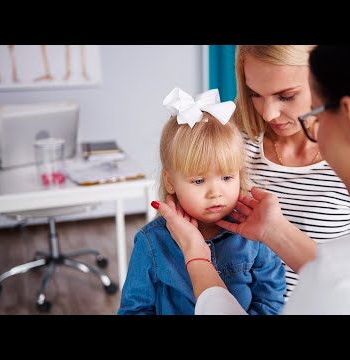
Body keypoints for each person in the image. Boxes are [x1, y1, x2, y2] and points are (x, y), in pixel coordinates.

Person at [154, 46, 350, 314]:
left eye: (315, 119)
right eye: (256, 95)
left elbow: (340, 282)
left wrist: (196, 257)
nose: (271, 113)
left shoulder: (346, 281)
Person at [233, 45, 350, 299]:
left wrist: (276, 231)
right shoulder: (235, 143)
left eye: (286, 96)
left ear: (325, 79)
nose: (269, 113)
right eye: (255, 94)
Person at [117, 87, 286, 315]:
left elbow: (270, 300)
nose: (215, 193)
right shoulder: (151, 242)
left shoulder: (254, 237)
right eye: (198, 181)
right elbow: (134, 309)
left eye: (227, 177)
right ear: (170, 182)